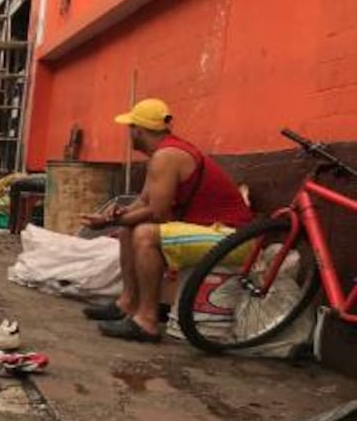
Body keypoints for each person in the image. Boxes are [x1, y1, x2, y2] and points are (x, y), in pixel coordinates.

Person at [82, 99, 253, 342]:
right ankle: (128, 304)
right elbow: (143, 201)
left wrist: (111, 222)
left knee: (145, 234)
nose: (129, 134)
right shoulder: (164, 154)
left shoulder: (167, 156)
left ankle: (147, 321)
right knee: (128, 230)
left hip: (232, 238)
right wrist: (117, 215)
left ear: (138, 131)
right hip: (213, 232)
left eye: (130, 128)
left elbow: (158, 212)